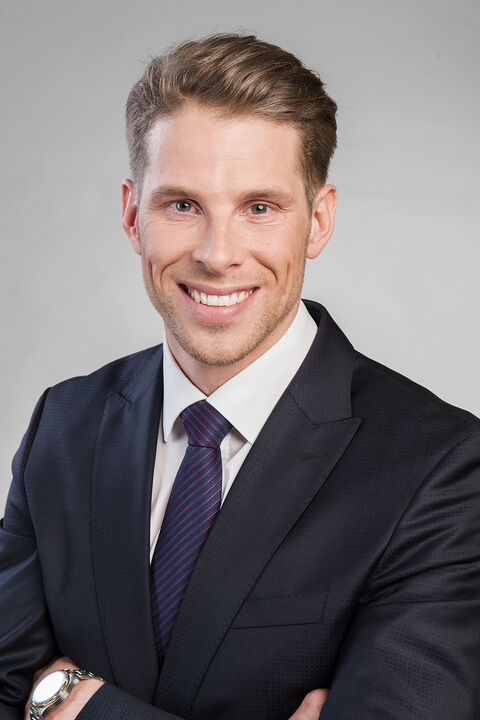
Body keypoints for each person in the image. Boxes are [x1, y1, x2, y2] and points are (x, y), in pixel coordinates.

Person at [1, 32, 479, 720]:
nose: (218, 254)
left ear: (318, 221)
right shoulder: (64, 424)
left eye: (259, 207)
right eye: (182, 205)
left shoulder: (441, 466)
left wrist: (73, 703)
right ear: (133, 215)